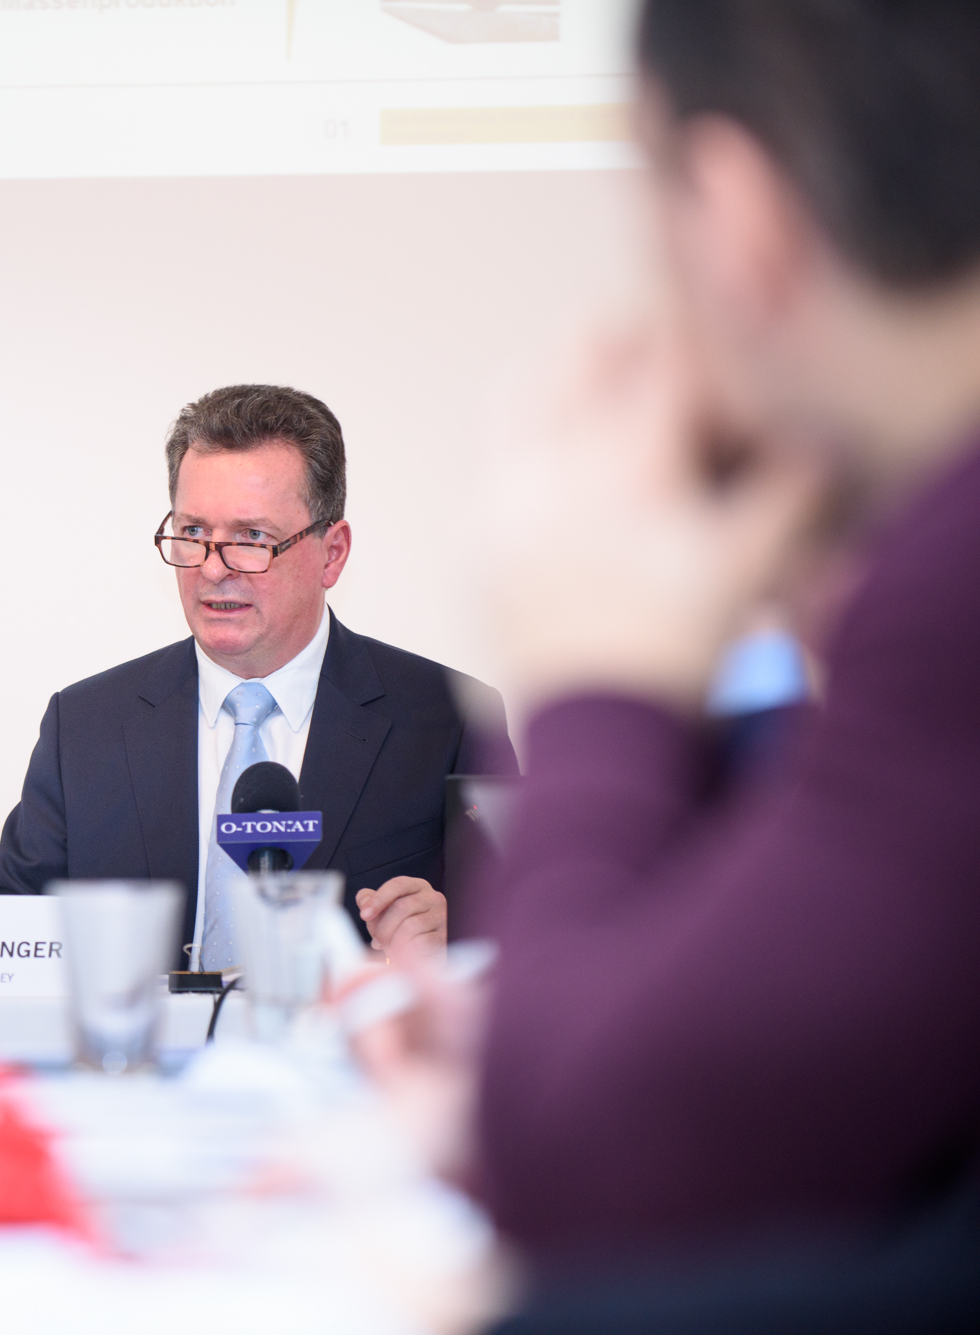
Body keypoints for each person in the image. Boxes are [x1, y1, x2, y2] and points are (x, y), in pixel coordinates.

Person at [352, 0, 980, 1286]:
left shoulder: (947, 585)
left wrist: (600, 668)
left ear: (736, 218)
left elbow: (587, 1167)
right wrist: (574, 1032)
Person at [0, 385, 515, 967]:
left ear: (332, 553)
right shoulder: (85, 727)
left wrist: (460, 936)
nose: (214, 569)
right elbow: (8, 943)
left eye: (251, 538)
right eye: (193, 533)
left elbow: (531, 935)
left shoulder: (448, 720)